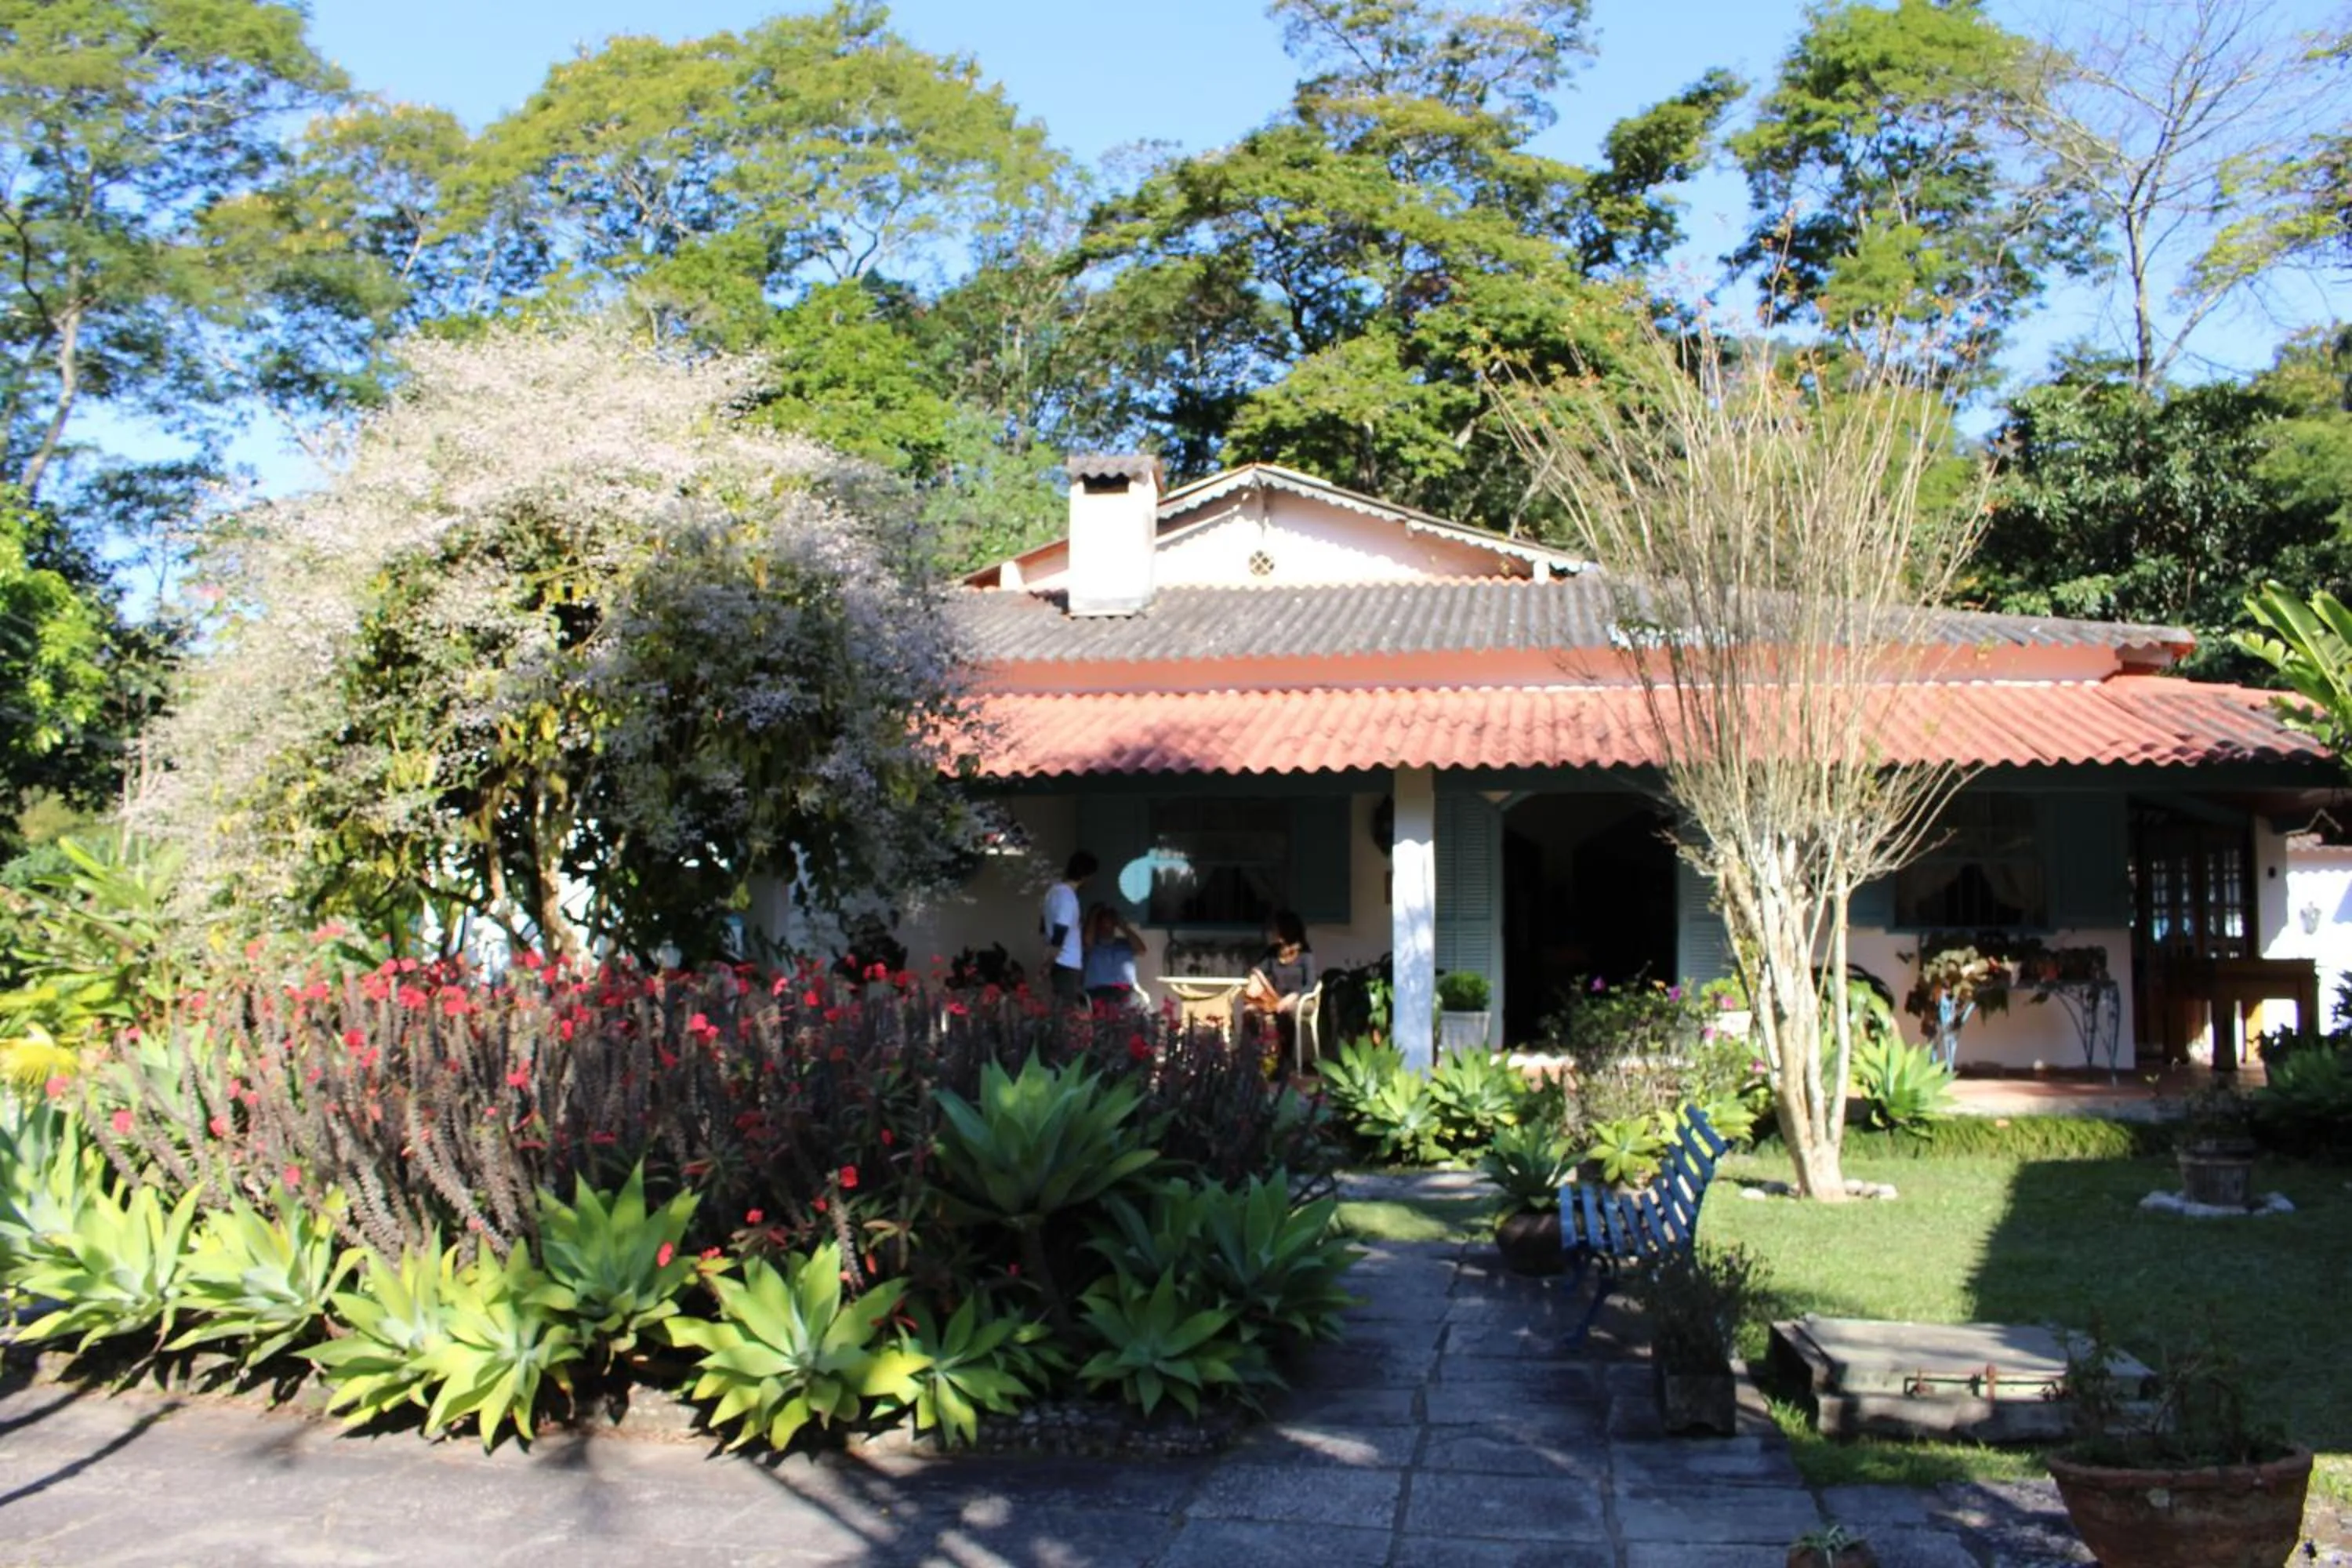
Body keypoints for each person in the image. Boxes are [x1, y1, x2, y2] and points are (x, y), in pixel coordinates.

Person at [1245, 909, 1316, 1051]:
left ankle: (1286, 1058)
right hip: (1274, 999)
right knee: (1249, 1011)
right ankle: (1255, 1053)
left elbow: (1310, 984)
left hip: (1300, 1000)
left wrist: (1292, 997)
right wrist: (1254, 981)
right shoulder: (1273, 952)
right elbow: (1258, 970)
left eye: (1276, 928)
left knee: (1288, 1011)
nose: (1273, 931)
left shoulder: (1305, 955)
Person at [1039, 851, 1096, 1006]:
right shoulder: (1067, 897)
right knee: (1068, 1012)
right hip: (1066, 963)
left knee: (1059, 1008)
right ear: (1086, 876)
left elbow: (1043, 927)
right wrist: (1049, 963)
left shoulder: (1052, 892)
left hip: (1058, 962)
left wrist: (1046, 957)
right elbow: (1060, 932)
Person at [1081, 902, 1146, 1010]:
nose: (1106, 927)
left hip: (1125, 991)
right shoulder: (1091, 945)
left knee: (1138, 1005)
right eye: (1102, 923)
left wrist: (1123, 926)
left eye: (1110, 922)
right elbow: (1088, 942)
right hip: (1098, 992)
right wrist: (1093, 914)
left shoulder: (1124, 944)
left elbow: (1142, 950)